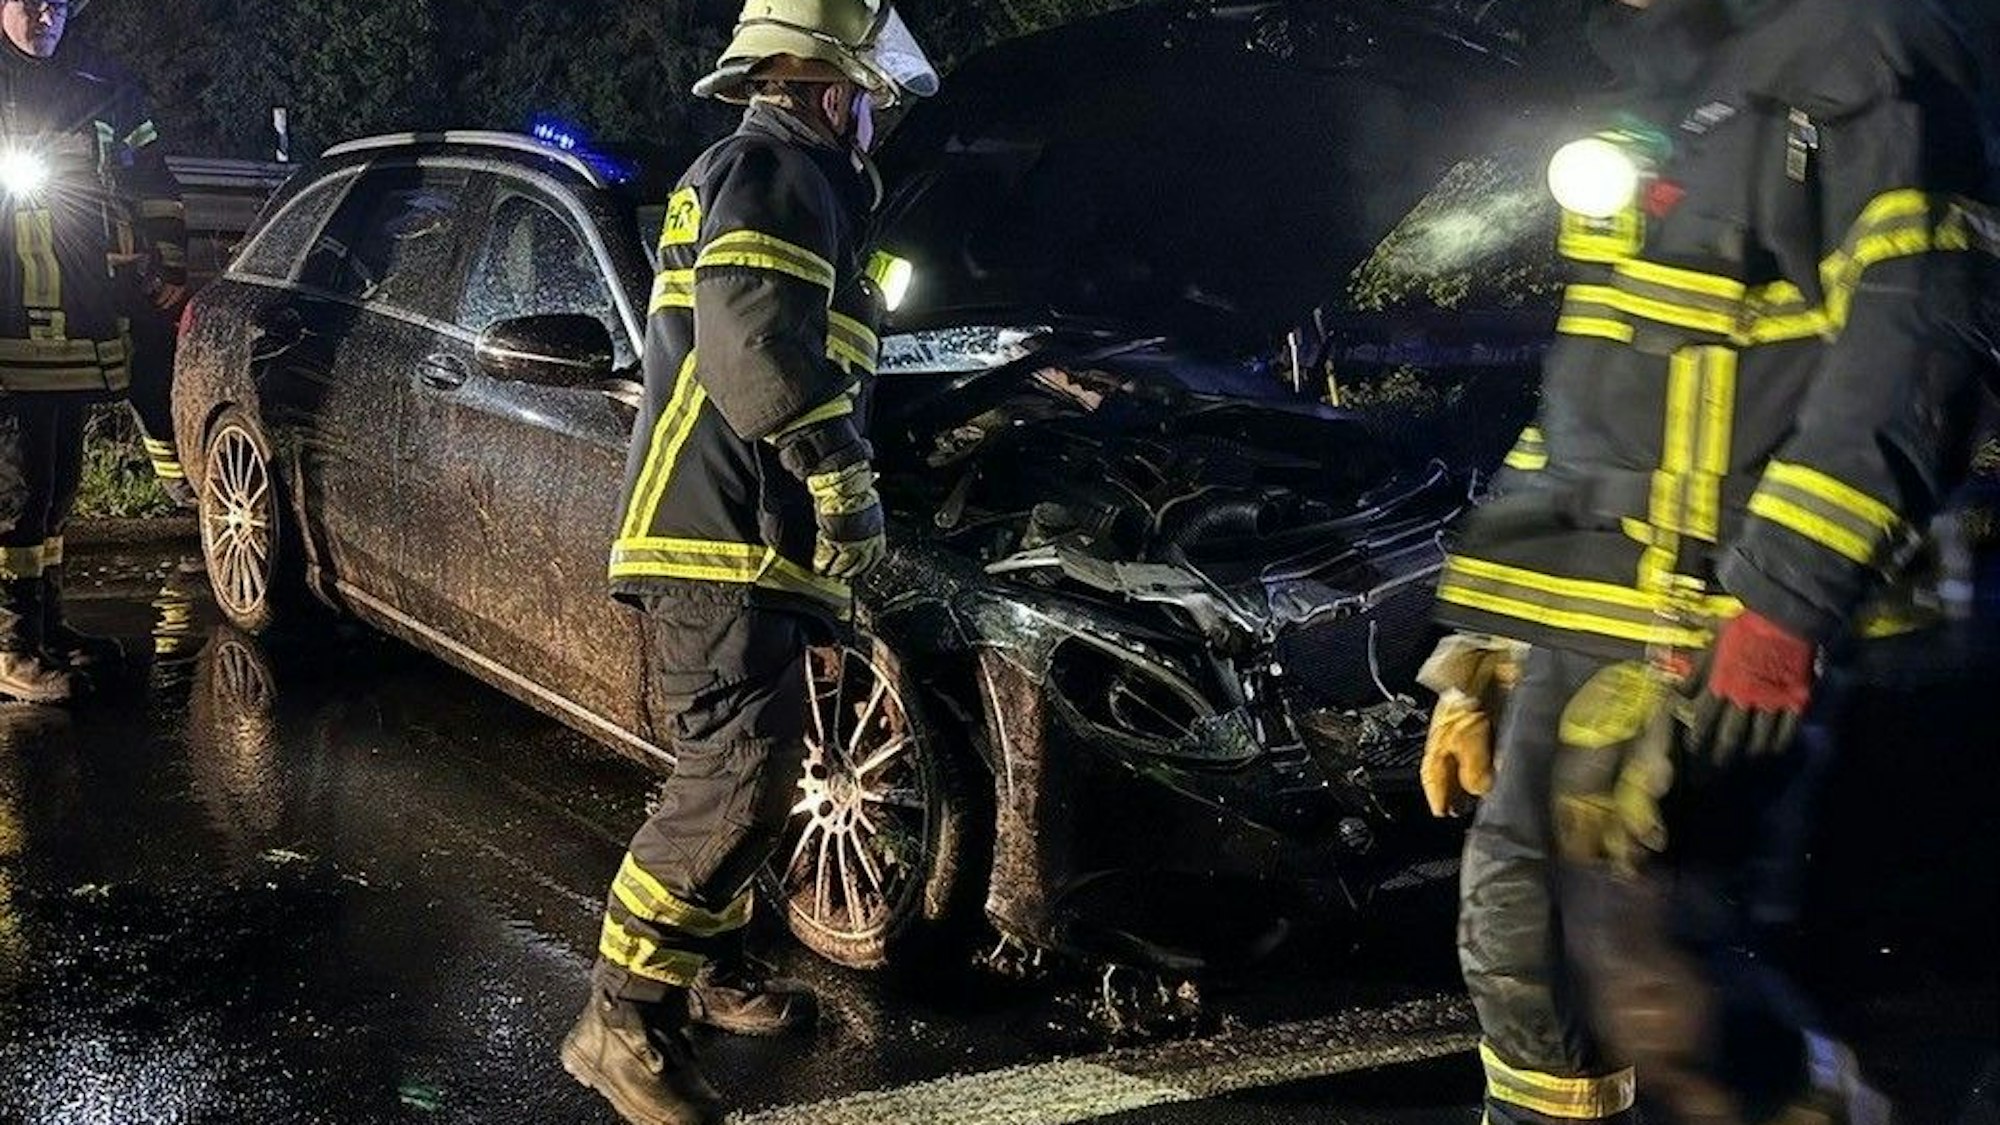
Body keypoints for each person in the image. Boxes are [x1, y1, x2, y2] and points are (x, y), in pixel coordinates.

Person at [1418, 0, 1996, 1121]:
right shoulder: (1670, 88)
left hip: (1738, 630)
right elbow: (1596, 401)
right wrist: (1489, 636)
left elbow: (1909, 356)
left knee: (1685, 997)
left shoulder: (1860, 55)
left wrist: (1779, 608)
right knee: (1526, 949)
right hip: (1608, 622)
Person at [558, 3, 937, 1123]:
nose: (877, 119)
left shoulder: (786, 178)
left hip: (745, 542)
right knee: (729, 783)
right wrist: (841, 476)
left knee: (751, 783)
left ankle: (695, 975)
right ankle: (618, 1022)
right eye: (871, 96)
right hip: (717, 536)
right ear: (829, 86)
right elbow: (753, 341)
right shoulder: (774, 169)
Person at [0, 0, 186, 703]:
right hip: (11, 329)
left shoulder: (100, 88)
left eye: (57, 0)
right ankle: (10, 643)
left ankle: (47, 627)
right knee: (16, 492)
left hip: (80, 325)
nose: (44, 12)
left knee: (55, 489)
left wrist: (166, 263)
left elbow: (151, 180)